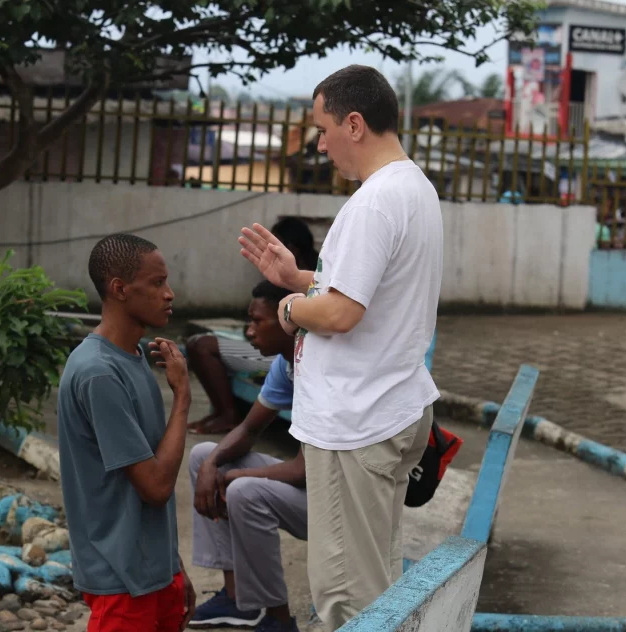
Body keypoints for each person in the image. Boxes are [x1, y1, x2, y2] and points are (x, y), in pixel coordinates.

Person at [238, 65, 443, 628]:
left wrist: (286, 309)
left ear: (354, 123)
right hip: (390, 408)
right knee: (376, 580)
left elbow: (340, 312)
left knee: (348, 599)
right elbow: (360, 293)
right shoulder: (413, 187)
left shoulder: (375, 201)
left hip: (359, 420)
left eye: (323, 128)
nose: (320, 143)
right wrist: (297, 276)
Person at [57, 233, 197, 632]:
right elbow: (154, 486)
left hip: (154, 571)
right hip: (121, 583)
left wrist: (173, 566)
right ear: (119, 289)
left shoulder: (133, 357)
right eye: (157, 283)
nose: (169, 294)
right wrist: (182, 397)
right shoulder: (98, 373)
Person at [187, 280, 305, 632]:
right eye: (248, 322)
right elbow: (249, 429)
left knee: (244, 490)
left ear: (289, 322)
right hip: (313, 488)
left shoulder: (319, 371)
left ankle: (278, 619)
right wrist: (212, 465)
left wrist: (237, 477)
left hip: (340, 503)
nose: (249, 332)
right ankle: (239, 599)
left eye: (258, 322)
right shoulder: (286, 366)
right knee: (204, 455)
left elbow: (303, 470)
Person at [186, 218, 319, 435]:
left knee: (202, 346)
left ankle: (227, 415)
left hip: (283, 355)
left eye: (276, 242)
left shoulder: (309, 281)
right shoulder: (292, 274)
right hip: (280, 356)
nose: (269, 249)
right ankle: (224, 414)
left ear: (292, 248)